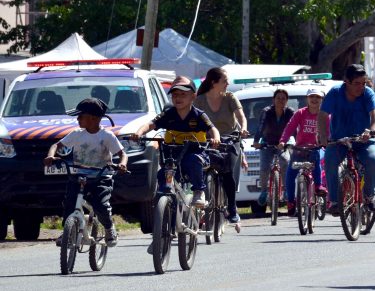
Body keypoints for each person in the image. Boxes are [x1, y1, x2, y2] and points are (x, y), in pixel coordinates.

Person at [44, 98, 128, 247]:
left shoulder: (107, 136)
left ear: (94, 118)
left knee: (100, 205)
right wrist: (51, 155)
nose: (77, 119)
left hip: (101, 177)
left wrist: (122, 164)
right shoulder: (77, 134)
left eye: (80, 116)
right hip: (79, 176)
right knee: (70, 202)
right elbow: (56, 145)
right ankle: (68, 231)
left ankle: (109, 228)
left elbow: (123, 154)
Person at [131, 76, 220, 208]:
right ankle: (165, 202)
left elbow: (213, 129)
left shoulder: (199, 115)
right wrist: (139, 133)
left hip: (196, 154)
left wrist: (215, 138)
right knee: (162, 174)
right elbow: (150, 125)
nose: (178, 98)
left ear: (193, 97)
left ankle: (198, 191)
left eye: (183, 94)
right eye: (175, 94)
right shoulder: (168, 114)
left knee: (192, 161)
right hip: (173, 156)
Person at [318, 64, 375, 216]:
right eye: (357, 83)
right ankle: (333, 201)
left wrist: (370, 131)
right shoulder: (335, 93)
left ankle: (369, 195)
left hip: (363, 140)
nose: (361, 87)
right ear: (346, 81)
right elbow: (322, 116)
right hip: (339, 141)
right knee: (330, 161)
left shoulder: (368, 94)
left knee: (373, 160)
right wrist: (322, 136)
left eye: (364, 83)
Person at [194, 67, 249, 224]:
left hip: (230, 139)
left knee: (228, 173)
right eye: (225, 81)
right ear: (214, 82)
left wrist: (243, 128)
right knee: (201, 170)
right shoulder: (200, 100)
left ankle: (232, 208)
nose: (227, 83)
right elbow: (195, 120)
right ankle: (203, 205)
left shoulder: (230, 98)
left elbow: (241, 117)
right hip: (208, 140)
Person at [279, 88, 328, 216]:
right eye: (312, 96)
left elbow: (330, 130)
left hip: (316, 148)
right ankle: (290, 201)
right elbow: (289, 127)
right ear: (307, 98)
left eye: (318, 97)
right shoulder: (300, 113)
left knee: (316, 159)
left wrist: (327, 141)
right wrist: (283, 141)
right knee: (290, 173)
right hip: (300, 148)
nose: (314, 99)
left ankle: (318, 186)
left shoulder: (325, 115)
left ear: (322, 100)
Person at [254, 88, 294, 211]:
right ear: (273, 100)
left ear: (287, 101)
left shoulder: (290, 112)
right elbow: (261, 127)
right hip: (268, 143)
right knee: (264, 167)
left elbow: (294, 128)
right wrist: (257, 141)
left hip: (283, 143)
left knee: (285, 161)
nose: (280, 101)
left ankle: (287, 190)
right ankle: (264, 192)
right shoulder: (267, 111)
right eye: (278, 98)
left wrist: (297, 143)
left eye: (283, 99)